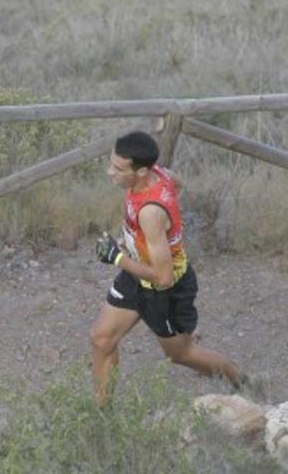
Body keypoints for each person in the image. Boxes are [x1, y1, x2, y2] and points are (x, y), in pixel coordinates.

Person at [90, 131, 244, 405]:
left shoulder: (150, 213)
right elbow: (177, 183)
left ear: (142, 171)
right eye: (111, 163)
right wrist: (131, 245)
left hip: (166, 291)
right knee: (102, 340)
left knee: (181, 355)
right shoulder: (160, 174)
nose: (109, 172)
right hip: (136, 275)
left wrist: (116, 258)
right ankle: (102, 411)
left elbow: (163, 277)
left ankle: (241, 382)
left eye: (118, 168)